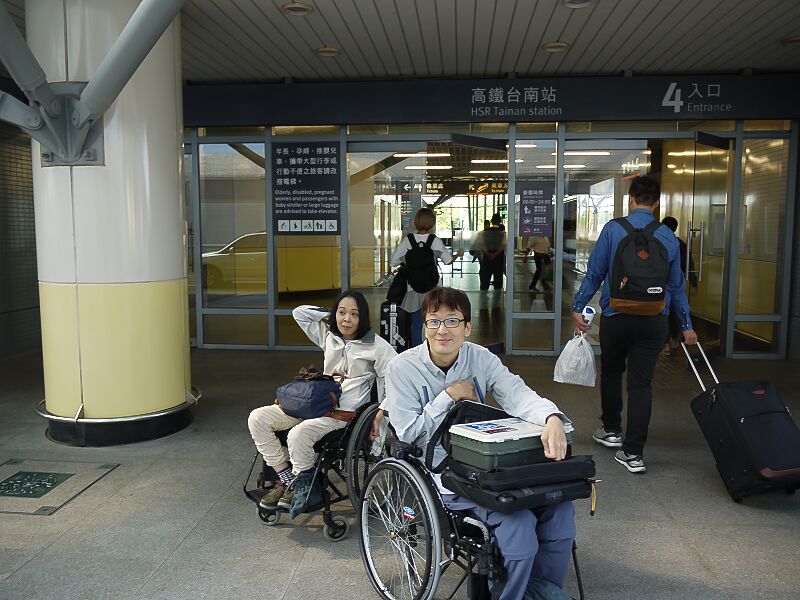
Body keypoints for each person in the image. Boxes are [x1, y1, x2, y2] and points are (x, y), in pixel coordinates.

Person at [384, 287, 575, 600]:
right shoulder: (402, 368)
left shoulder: (481, 358)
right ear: (424, 327)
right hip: (440, 470)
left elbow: (517, 394)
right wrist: (447, 397)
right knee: (519, 522)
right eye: (434, 321)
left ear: (468, 328)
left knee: (560, 510)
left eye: (452, 321)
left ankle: (543, 591)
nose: (442, 330)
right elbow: (407, 434)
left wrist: (551, 417)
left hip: (486, 460)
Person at [571, 176, 698, 474]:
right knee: (641, 384)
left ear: (630, 199)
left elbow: (595, 273)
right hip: (654, 320)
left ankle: (611, 430)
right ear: (656, 203)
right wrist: (686, 325)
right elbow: (676, 287)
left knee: (612, 371)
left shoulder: (613, 229)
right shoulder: (667, 236)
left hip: (617, 316)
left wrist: (578, 307)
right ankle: (634, 453)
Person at [247, 291, 396, 516]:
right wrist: (332, 314)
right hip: (314, 404)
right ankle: (287, 478)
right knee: (258, 418)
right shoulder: (329, 336)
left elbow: (397, 381)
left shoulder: (377, 346)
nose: (347, 319)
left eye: (354, 314)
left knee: (298, 434)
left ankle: (304, 485)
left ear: (363, 317)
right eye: (342, 312)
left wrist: (380, 414)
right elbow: (299, 313)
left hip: (343, 415)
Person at [390, 207, 463, 347]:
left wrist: (409, 260)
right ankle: (434, 349)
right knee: (435, 321)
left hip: (413, 287)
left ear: (416, 222)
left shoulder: (408, 240)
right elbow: (448, 261)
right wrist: (457, 255)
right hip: (433, 287)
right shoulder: (435, 240)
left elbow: (393, 262)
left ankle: (417, 351)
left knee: (416, 324)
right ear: (432, 223)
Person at [661, 216, 697, 354]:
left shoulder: (656, 242)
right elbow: (689, 264)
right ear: (675, 228)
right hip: (677, 284)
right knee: (674, 315)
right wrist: (694, 282)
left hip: (662, 287)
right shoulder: (680, 244)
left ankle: (666, 343)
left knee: (664, 315)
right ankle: (673, 339)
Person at [480, 213, 507, 290]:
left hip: (487, 258)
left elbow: (482, 244)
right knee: (498, 278)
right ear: (500, 221)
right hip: (499, 258)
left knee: (485, 278)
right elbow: (502, 246)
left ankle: (483, 295)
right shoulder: (503, 233)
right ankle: (497, 296)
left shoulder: (485, 231)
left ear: (491, 221)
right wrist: (495, 254)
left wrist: (488, 253)